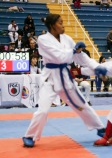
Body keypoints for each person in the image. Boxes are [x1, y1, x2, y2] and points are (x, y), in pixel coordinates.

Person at [22, 14, 105, 148]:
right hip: (49, 78)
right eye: (60, 23)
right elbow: (59, 57)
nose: (63, 25)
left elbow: (81, 57)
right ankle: (29, 136)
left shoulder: (67, 39)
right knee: (42, 110)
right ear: (52, 25)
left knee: (81, 103)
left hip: (65, 79)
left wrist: (97, 67)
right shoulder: (43, 39)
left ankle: (100, 128)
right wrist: (73, 50)